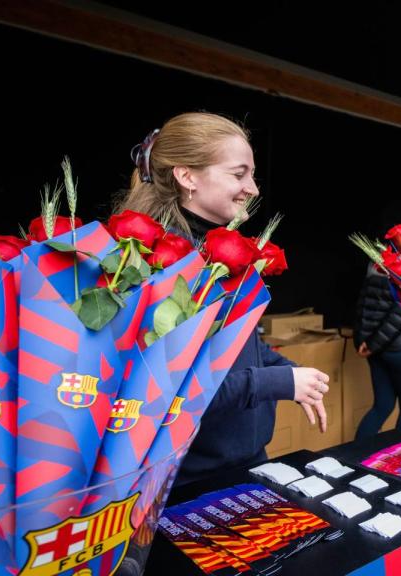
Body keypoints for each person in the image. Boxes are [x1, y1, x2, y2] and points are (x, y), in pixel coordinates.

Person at [117, 112, 329, 486]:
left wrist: (292, 373)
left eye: (252, 174)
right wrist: (275, 383)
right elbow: (171, 391)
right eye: (238, 174)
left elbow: (239, 350)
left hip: (246, 464)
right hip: (187, 481)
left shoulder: (219, 255)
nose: (253, 188)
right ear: (187, 177)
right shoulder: (154, 265)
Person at [353, 205, 401, 439]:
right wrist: (373, 343)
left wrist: (364, 341)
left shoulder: (376, 260)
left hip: (376, 350)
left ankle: (357, 457)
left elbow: (363, 303)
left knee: (382, 406)